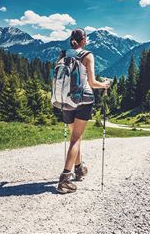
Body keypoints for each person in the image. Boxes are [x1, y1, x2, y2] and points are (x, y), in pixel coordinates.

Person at [56, 28, 110, 194]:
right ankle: (65, 179)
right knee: (76, 139)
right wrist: (105, 85)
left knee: (74, 137)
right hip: (83, 100)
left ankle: (79, 169)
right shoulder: (87, 55)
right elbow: (92, 82)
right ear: (84, 40)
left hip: (65, 100)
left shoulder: (63, 53)